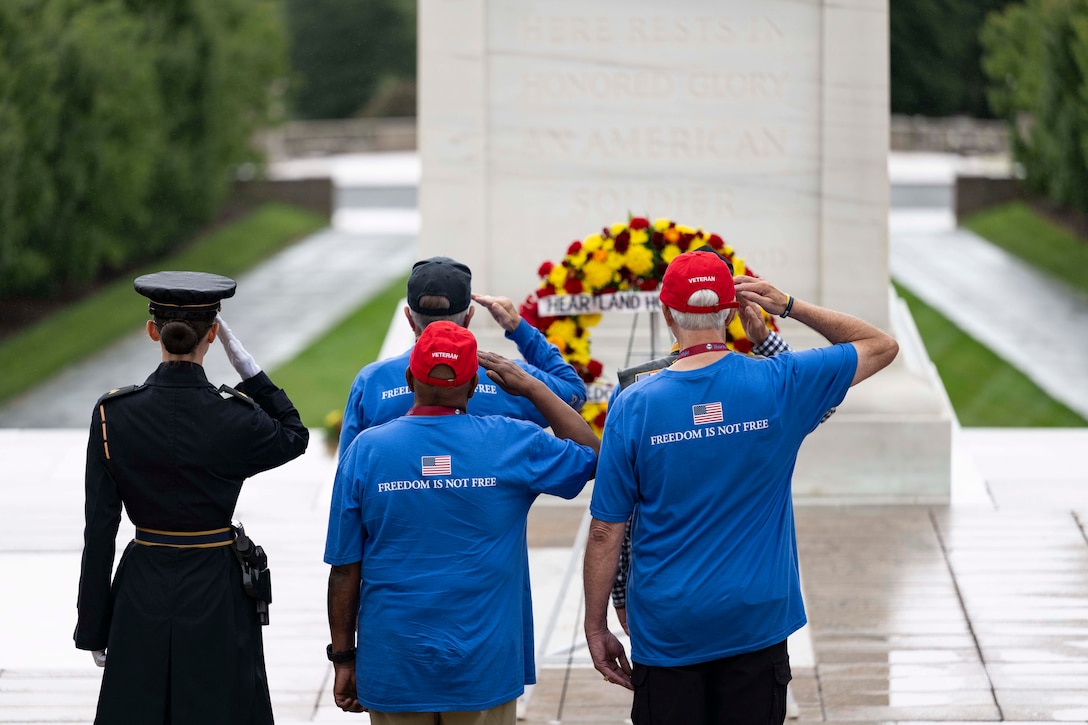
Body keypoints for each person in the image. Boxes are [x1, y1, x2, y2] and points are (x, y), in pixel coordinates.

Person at [583, 251, 898, 724]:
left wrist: (596, 625)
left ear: (667, 314)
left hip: (671, 625)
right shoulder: (780, 382)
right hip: (755, 620)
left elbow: (608, 530)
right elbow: (879, 344)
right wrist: (787, 306)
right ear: (731, 312)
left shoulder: (634, 404)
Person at [325, 321, 599, 723]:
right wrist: (533, 388)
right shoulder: (512, 441)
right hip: (483, 665)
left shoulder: (366, 451)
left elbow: (344, 571)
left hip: (394, 661)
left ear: (408, 378)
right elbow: (593, 456)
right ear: (474, 387)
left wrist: (344, 659)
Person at [74, 271, 310, 724]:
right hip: (217, 589)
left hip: (142, 586)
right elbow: (294, 435)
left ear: (151, 331)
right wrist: (251, 373)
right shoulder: (236, 417)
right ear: (214, 334)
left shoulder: (113, 415)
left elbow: (99, 531)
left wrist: (93, 626)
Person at [608, 250, 832, 633]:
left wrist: (620, 597)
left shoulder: (636, 391)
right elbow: (824, 399)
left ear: (669, 311)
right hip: (754, 609)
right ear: (731, 310)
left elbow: (617, 519)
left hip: (669, 608)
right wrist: (768, 337)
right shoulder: (770, 384)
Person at [337, 255, 586, 459]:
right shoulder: (509, 377)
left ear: (409, 318)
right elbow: (574, 394)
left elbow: (349, 476)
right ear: (468, 318)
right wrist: (518, 328)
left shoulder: (371, 382)